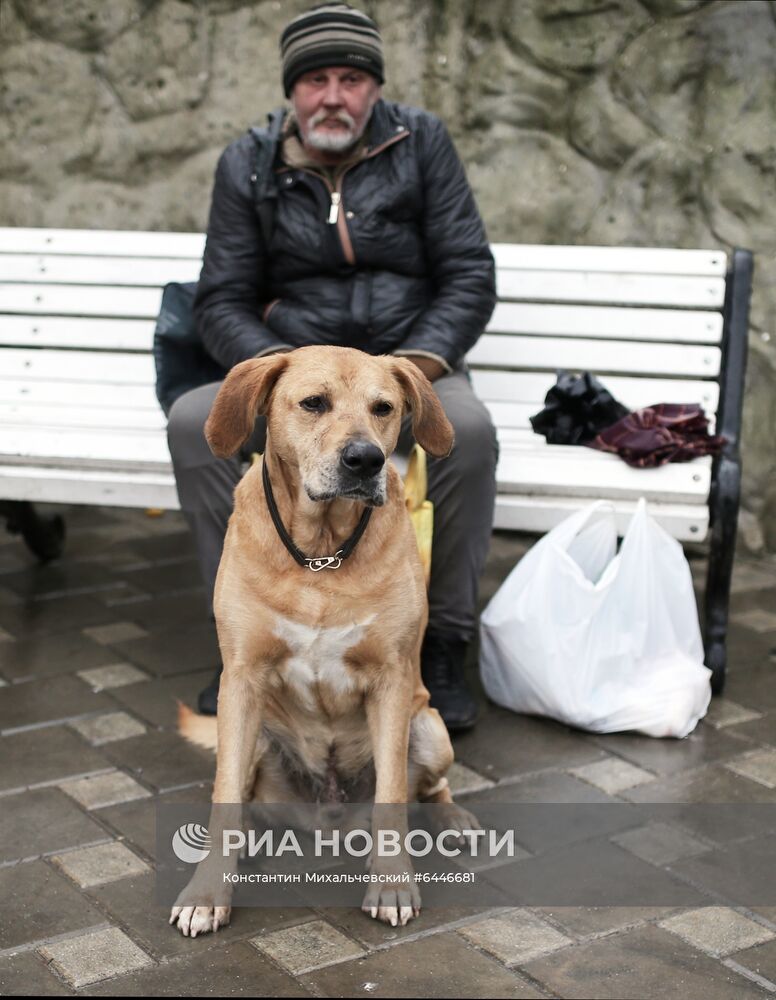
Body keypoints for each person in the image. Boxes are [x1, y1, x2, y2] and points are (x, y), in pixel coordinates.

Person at [166, 1, 498, 732]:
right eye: (316, 79)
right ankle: (247, 635)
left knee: (466, 437)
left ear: (374, 88)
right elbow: (221, 295)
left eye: (351, 78)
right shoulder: (246, 162)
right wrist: (282, 381)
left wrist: (403, 377)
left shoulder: (423, 143)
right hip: (294, 371)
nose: (333, 96)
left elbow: (469, 274)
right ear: (293, 90)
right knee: (196, 423)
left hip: (407, 370)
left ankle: (438, 639)